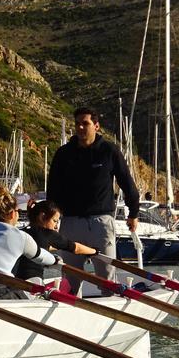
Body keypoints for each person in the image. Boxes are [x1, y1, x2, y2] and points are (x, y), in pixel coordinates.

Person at [46, 107, 140, 290]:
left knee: (106, 277)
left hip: (101, 223)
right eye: (77, 124)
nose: (80, 127)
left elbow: (127, 184)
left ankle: (110, 306)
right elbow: (53, 189)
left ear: (96, 126)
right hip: (71, 223)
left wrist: (133, 213)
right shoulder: (64, 154)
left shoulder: (109, 151)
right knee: (70, 278)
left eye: (85, 123)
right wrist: (50, 217)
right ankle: (70, 309)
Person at [17, 199, 97, 287]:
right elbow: (75, 248)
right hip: (33, 283)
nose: (56, 226)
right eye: (54, 221)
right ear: (42, 217)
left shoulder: (22, 232)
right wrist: (94, 251)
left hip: (14, 281)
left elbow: (40, 246)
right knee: (66, 285)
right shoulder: (48, 234)